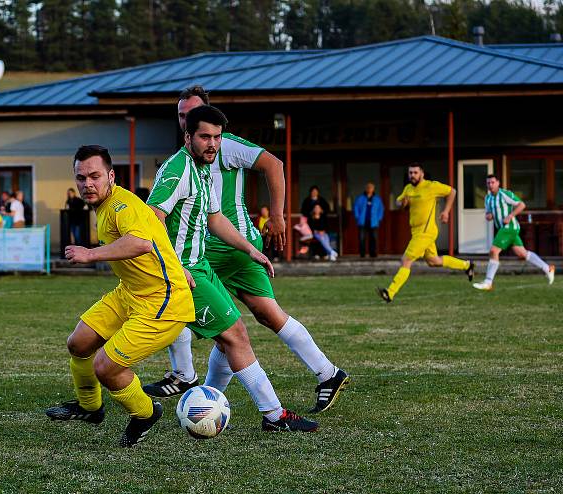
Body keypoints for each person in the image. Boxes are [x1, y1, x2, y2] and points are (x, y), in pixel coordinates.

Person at [144, 87, 347, 415]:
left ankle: (187, 378)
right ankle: (327, 372)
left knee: (212, 319)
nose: (187, 119)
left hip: (222, 249)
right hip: (224, 246)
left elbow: (274, 164)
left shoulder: (223, 145)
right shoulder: (187, 163)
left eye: (192, 112)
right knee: (258, 316)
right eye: (182, 115)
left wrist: (278, 216)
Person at [45, 145, 195, 447]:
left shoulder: (121, 205)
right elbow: (155, 231)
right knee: (79, 343)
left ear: (111, 176)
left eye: (95, 176)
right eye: (81, 178)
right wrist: (177, 265)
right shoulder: (108, 205)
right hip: (131, 291)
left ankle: (145, 413)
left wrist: (90, 254)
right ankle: (90, 409)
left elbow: (140, 243)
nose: (88, 184)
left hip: (162, 301)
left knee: (106, 367)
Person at [378, 163, 474, 303]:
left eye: (415, 172)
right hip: (416, 231)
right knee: (434, 261)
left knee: (406, 260)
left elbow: (452, 191)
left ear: (421, 173)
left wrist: (446, 211)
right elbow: (400, 203)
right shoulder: (408, 188)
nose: (412, 175)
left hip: (426, 231)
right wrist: (402, 203)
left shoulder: (431, 186)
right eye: (410, 173)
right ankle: (467, 265)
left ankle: (390, 292)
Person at [473, 175, 555, 290]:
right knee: (522, 253)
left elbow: (521, 204)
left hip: (509, 227)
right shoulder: (487, 198)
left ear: (498, 183)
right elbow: (488, 214)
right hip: (503, 228)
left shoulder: (505, 194)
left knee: (493, 250)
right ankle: (548, 268)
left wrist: (510, 215)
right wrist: (489, 216)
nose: (490, 185)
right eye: (488, 183)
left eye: (492, 182)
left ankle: (488, 282)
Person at [353, 183, 384, 258]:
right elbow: (356, 207)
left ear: (373, 189)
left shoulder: (377, 199)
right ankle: (362, 254)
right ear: (366, 189)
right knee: (362, 238)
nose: (369, 189)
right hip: (363, 221)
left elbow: (381, 209)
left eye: (371, 187)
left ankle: (372, 253)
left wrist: (379, 218)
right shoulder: (360, 198)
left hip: (373, 222)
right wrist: (357, 216)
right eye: (368, 187)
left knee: (373, 238)